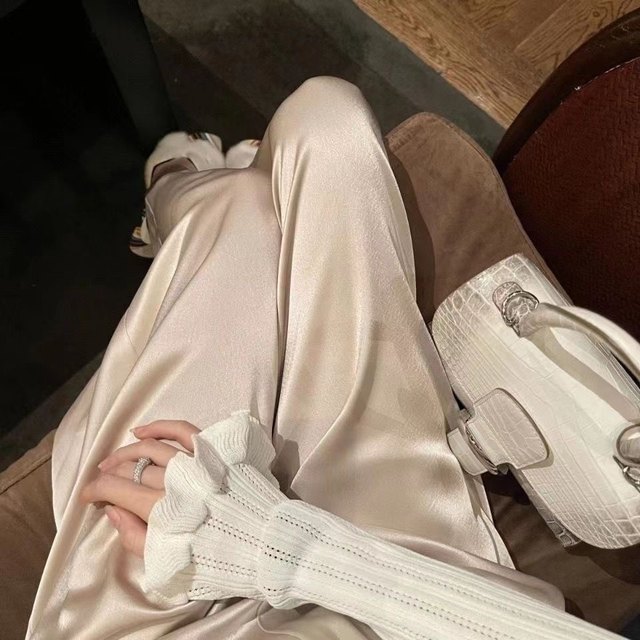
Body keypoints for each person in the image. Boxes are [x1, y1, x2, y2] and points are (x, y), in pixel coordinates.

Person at [25, 77, 619, 639]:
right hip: (418, 582)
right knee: (328, 118)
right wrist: (291, 550)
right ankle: (187, 194)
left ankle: (175, 191)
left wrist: (270, 546)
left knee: (240, 207)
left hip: (177, 620)